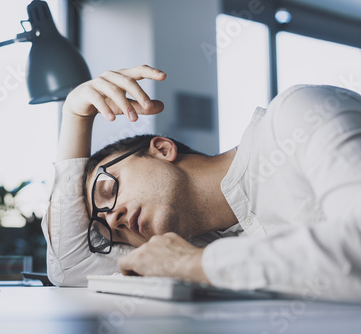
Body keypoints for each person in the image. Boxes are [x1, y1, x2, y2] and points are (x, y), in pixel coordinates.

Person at [40, 65, 361, 302]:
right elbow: (69, 268)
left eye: (109, 190)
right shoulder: (201, 245)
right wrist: (75, 117)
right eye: (112, 232)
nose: (112, 219)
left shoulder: (298, 116)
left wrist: (192, 262)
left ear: (162, 149)